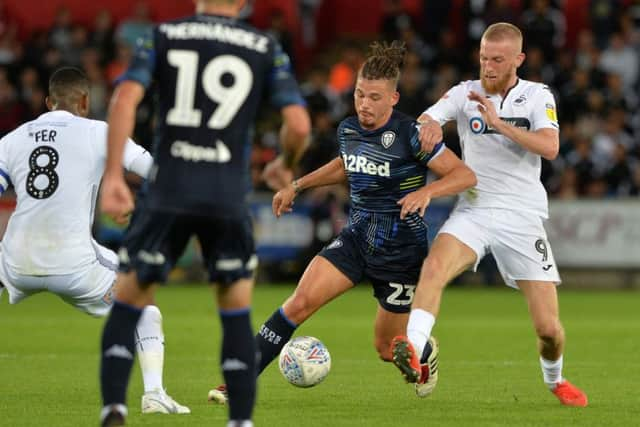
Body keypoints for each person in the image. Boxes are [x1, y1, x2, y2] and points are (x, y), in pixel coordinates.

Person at [208, 40, 477, 404]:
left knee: (386, 348)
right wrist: (297, 185)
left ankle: (424, 352)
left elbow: (464, 176)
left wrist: (428, 193)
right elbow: (345, 164)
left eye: (375, 97)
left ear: (393, 99)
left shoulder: (413, 134)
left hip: (401, 253)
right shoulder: (348, 129)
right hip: (354, 239)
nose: (365, 104)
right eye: (360, 94)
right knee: (299, 302)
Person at [97, 0, 311, 426]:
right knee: (234, 309)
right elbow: (300, 125)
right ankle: (240, 421)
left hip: (168, 190)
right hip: (226, 195)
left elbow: (124, 97)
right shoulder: (263, 45)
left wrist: (112, 176)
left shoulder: (164, 35)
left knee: (129, 301)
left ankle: (115, 409)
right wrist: (286, 162)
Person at [390, 22, 588, 407]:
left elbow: (550, 147)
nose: (488, 67)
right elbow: (429, 117)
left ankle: (555, 379)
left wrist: (499, 125)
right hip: (475, 211)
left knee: (548, 329)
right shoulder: (466, 92)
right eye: (483, 58)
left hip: (522, 216)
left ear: (519, 59)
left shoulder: (536, 95)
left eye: (497, 59)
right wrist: (428, 127)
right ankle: (414, 349)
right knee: (434, 268)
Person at [0, 67, 189, 415]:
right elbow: (155, 171)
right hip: (74, 264)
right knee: (144, 307)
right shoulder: (100, 132)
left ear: (47, 102)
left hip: (13, 260)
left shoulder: (12, 139)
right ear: (85, 101)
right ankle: (154, 395)